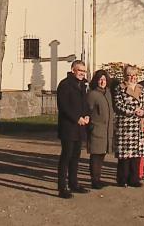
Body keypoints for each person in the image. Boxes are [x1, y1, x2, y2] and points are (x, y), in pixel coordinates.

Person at [56, 60, 90, 199]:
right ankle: (62, 187)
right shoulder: (65, 85)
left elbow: (85, 103)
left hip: (80, 127)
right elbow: (63, 106)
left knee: (76, 156)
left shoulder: (82, 85)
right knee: (66, 156)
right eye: (79, 70)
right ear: (73, 70)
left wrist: (87, 115)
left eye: (84, 71)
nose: (82, 73)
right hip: (68, 127)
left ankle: (73, 183)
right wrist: (77, 118)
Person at [114, 65, 144, 188]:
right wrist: (134, 111)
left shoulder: (141, 88)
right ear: (125, 76)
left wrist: (143, 111)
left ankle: (134, 179)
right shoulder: (120, 88)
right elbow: (118, 105)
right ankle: (122, 179)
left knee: (136, 155)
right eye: (130, 75)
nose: (132, 78)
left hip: (138, 126)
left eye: (134, 75)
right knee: (125, 155)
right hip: (125, 126)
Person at [86, 69, 115, 189]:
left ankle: (98, 178)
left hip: (107, 130)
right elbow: (88, 110)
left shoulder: (107, 93)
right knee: (95, 156)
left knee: (101, 155)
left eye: (104, 79)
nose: (102, 81)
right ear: (96, 81)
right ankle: (94, 180)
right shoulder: (93, 94)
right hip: (97, 129)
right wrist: (91, 125)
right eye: (100, 79)